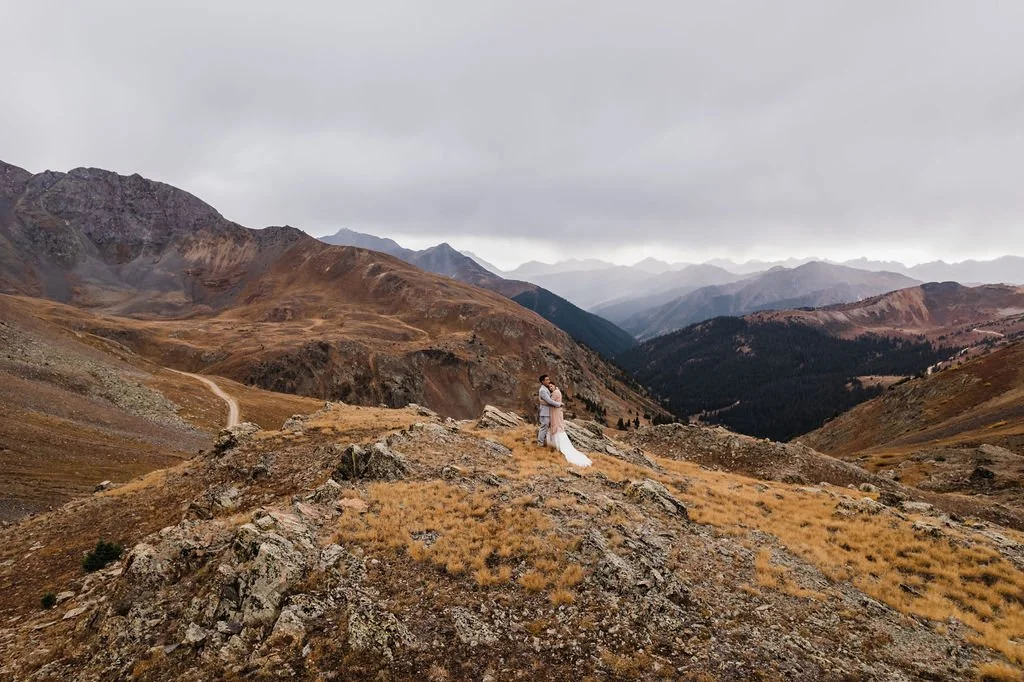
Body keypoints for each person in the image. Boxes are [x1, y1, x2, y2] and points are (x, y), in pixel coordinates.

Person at [545, 381, 593, 467]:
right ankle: (555, 446)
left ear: (554, 385)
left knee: (556, 427)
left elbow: (550, 402)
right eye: (549, 387)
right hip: (556, 412)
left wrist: (543, 400)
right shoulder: (557, 392)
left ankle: (557, 447)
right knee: (556, 427)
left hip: (555, 413)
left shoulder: (555, 392)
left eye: (551, 386)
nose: (550, 388)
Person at [537, 374, 561, 447]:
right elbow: (549, 401)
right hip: (545, 413)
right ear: (542, 381)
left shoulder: (546, 388)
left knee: (546, 428)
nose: (548, 381)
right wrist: (558, 404)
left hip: (548, 412)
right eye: (546, 380)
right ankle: (540, 443)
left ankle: (545, 442)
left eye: (548, 379)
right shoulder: (542, 390)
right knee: (544, 428)